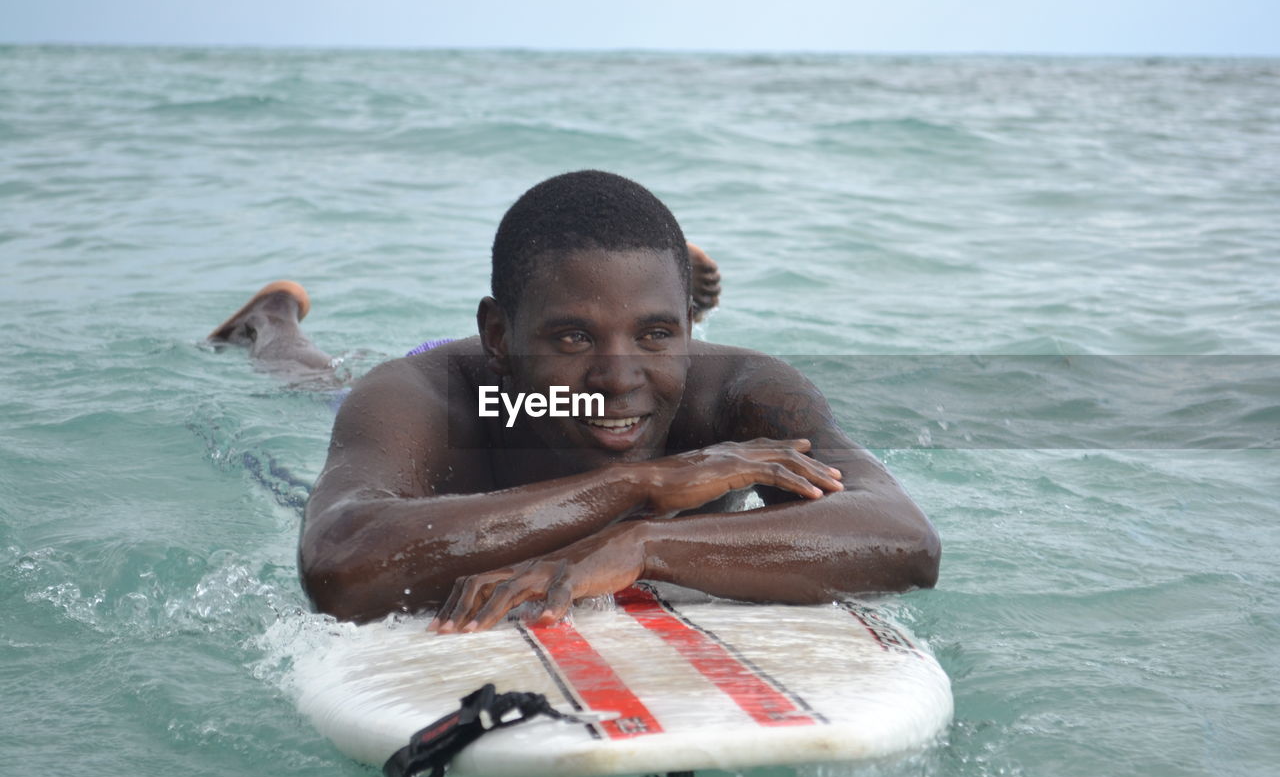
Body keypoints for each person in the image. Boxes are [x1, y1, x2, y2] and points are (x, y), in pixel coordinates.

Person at [209, 170, 939, 629]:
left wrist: (643, 543)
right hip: (489, 402)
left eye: (658, 332)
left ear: (691, 329)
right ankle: (271, 321)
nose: (619, 379)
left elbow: (903, 537)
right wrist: (640, 482)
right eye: (573, 338)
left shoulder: (745, 391)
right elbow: (340, 561)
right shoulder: (428, 394)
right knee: (320, 385)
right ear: (499, 333)